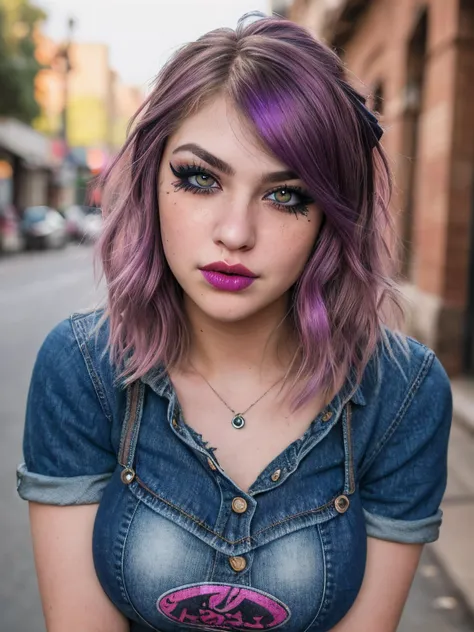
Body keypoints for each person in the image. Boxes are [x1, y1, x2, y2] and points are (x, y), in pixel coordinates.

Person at [16, 12, 453, 632]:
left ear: (331, 214)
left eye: (286, 195)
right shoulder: (84, 367)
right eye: (200, 179)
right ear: (151, 181)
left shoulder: (403, 394)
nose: (235, 233)